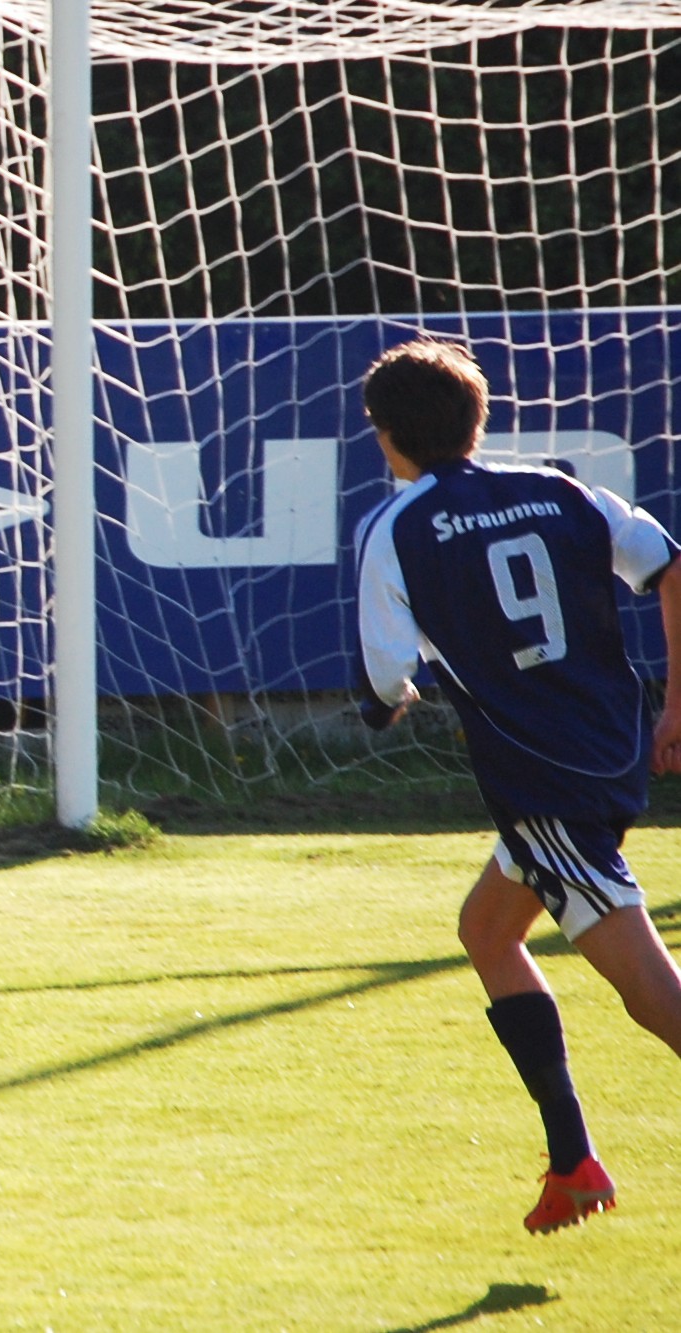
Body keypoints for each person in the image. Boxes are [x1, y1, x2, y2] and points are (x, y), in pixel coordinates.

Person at [354, 337, 681, 1234]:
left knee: (652, 994)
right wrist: (674, 708)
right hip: (605, 746)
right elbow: (669, 562)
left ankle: (574, 1164)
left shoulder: (397, 525)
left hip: (541, 779)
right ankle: (572, 1161)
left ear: (387, 438)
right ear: (477, 416)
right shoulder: (557, 485)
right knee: (486, 928)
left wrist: (391, 702)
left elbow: (385, 680)